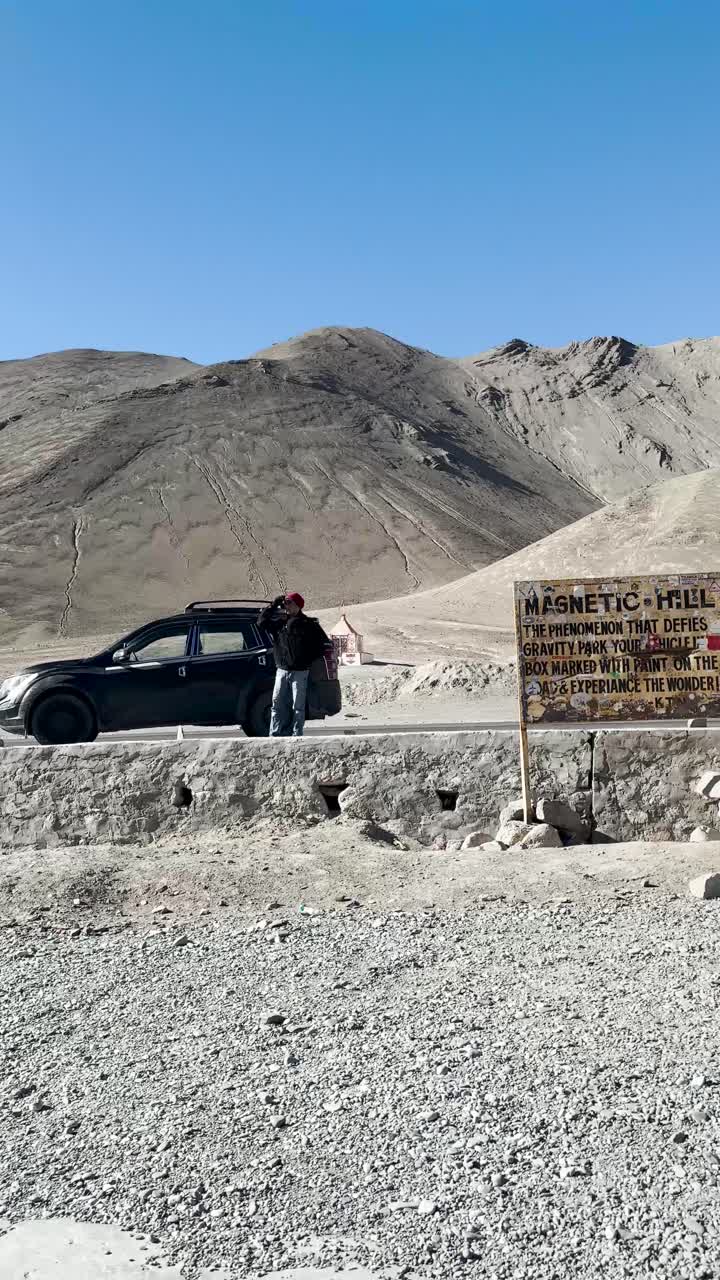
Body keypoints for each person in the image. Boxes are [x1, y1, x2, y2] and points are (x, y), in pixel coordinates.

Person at [257, 592, 330, 737]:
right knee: (277, 704)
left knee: (298, 706)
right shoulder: (280, 623)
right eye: (285, 603)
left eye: (289, 603)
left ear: (298, 605)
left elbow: (323, 645)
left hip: (300, 672)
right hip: (282, 671)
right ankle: (275, 734)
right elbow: (261, 622)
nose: (286, 606)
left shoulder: (308, 625)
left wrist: (306, 660)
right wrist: (273, 605)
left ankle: (297, 734)